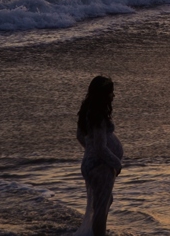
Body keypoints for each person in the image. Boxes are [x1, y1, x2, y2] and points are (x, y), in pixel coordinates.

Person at [75, 76, 123, 236]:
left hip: (92, 164)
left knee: (106, 201)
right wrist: (116, 163)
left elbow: (80, 136)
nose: (113, 96)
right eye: (111, 93)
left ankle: (98, 232)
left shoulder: (87, 111)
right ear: (103, 94)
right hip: (100, 166)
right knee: (101, 208)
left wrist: (89, 151)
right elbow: (101, 148)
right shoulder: (98, 116)